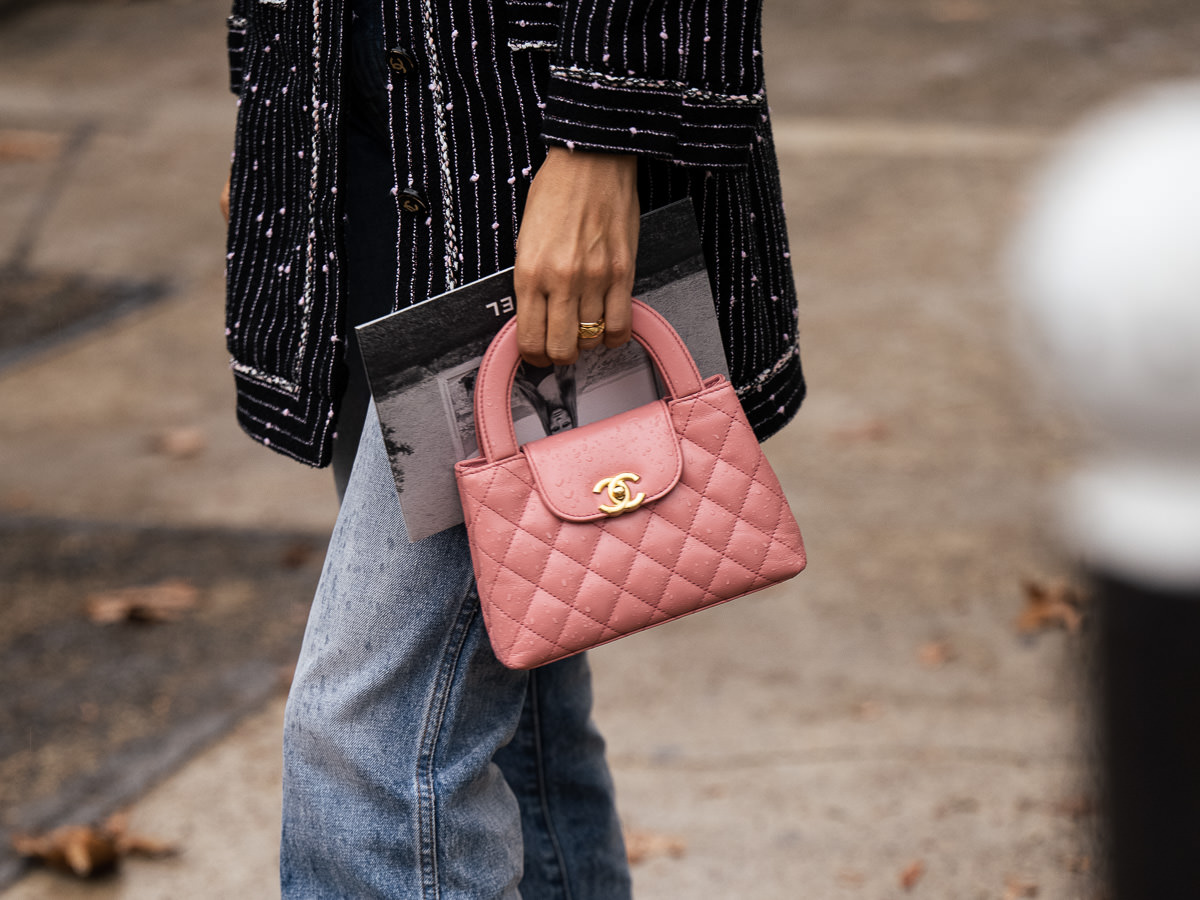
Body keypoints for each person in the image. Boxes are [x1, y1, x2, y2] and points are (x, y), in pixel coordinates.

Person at [222, 0, 805, 895]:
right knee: (522, 697)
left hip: (522, 160)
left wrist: (606, 133)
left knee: (367, 750)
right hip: (349, 131)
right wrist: (270, 96)